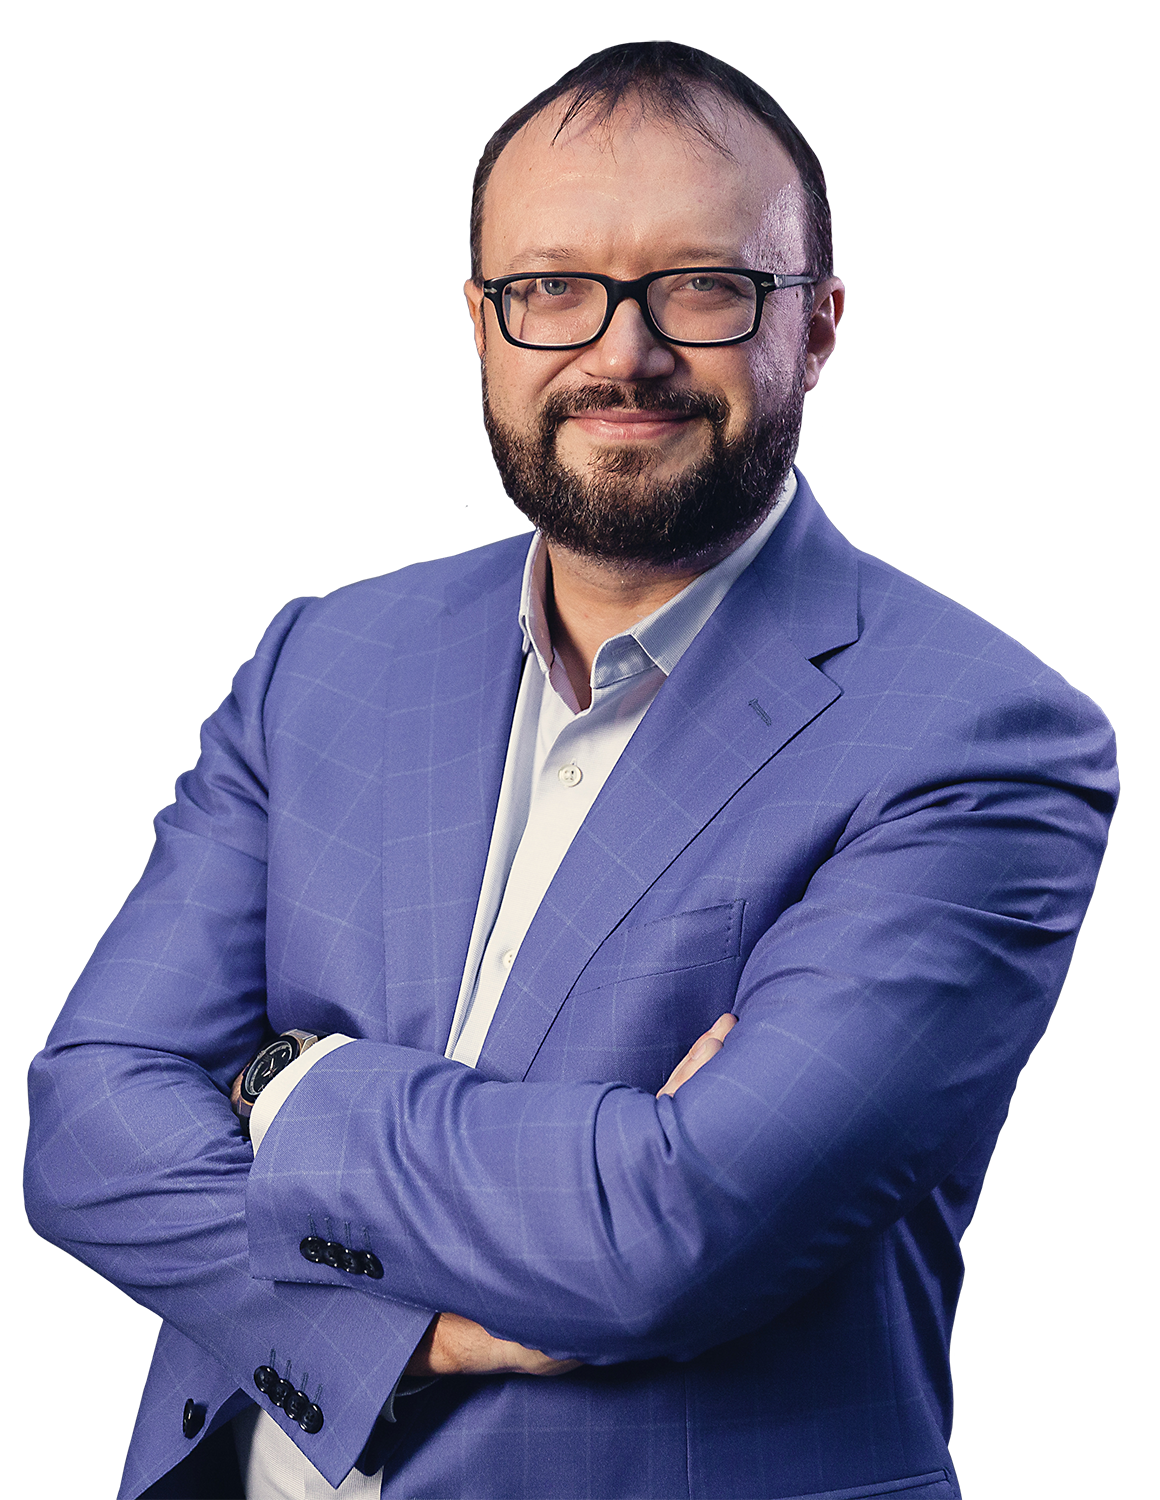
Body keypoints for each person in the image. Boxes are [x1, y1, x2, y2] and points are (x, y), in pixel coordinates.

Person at [24, 41, 1117, 1500]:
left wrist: (282, 1085)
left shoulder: (981, 739)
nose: (622, 352)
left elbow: (670, 1230)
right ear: (482, 325)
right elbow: (87, 1119)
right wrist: (410, 1337)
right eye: (552, 288)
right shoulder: (322, 662)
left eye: (702, 287)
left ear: (819, 328)